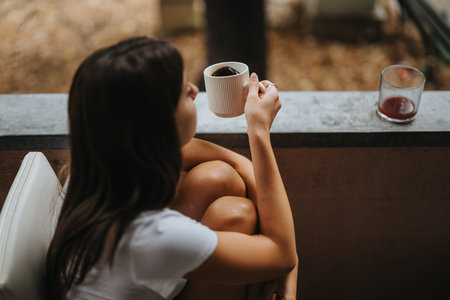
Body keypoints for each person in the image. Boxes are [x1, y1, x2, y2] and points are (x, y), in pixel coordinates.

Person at [45, 37, 298, 300]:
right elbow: (283, 254)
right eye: (181, 92)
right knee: (243, 217)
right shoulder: (151, 237)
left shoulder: (98, 171)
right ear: (156, 124)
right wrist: (258, 131)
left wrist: (283, 260)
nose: (193, 90)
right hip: (151, 256)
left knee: (221, 181)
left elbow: (237, 163)